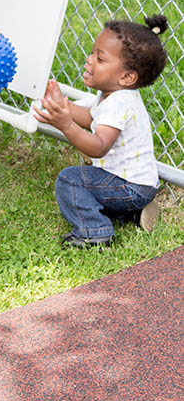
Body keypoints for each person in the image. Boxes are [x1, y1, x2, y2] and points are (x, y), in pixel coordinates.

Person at [33, 15, 168, 248]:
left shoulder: (119, 103)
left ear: (126, 77)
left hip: (129, 187)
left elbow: (98, 147)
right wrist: (64, 106)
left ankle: (95, 231)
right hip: (137, 186)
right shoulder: (114, 95)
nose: (89, 60)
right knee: (89, 181)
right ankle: (133, 214)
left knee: (71, 180)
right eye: (92, 53)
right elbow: (91, 118)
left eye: (100, 58)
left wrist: (66, 125)